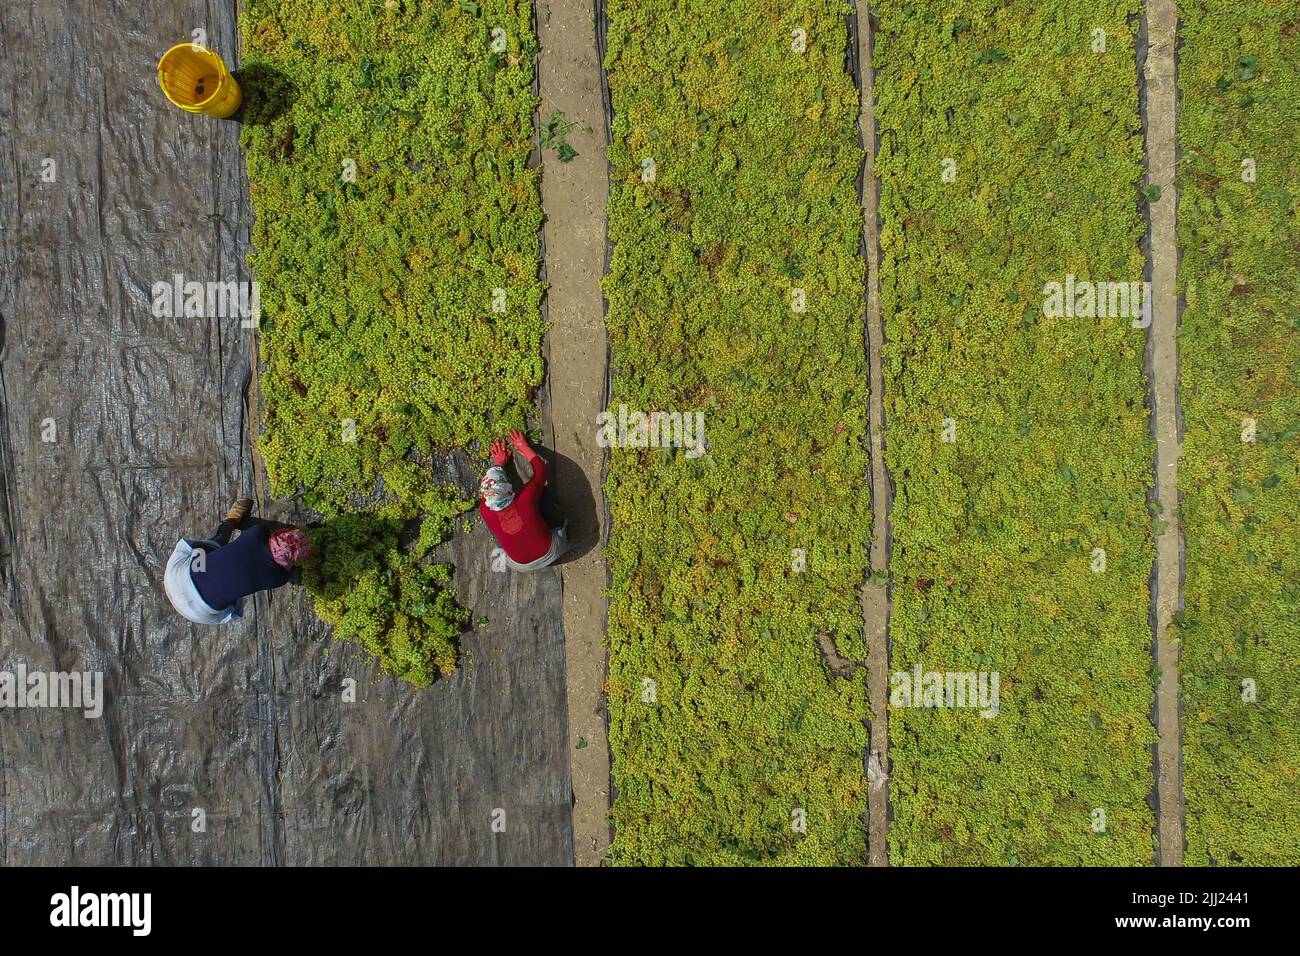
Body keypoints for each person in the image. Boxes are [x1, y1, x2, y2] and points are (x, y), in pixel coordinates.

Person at [163, 497, 316, 625]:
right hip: (193, 592)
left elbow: (234, 610)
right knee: (215, 546)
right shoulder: (261, 537)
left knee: (213, 549)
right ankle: (231, 520)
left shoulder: (276, 575)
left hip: (187, 581)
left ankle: (228, 525)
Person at [480, 429, 568, 571]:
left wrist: (499, 464)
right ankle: (560, 529)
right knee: (542, 494)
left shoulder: (485, 509)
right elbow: (541, 470)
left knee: (501, 532)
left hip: (520, 565)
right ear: (508, 489)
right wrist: (524, 447)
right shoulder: (525, 500)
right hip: (552, 551)